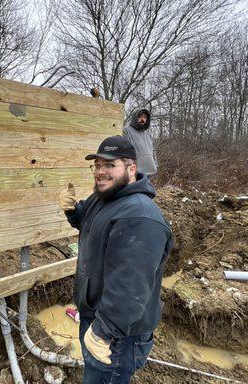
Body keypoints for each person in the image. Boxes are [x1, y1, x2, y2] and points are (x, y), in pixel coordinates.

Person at [58, 135, 173, 383]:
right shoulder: (104, 199)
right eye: (98, 165)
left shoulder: (139, 217)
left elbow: (130, 287)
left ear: (131, 169)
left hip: (117, 335)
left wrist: (103, 333)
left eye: (110, 165)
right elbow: (92, 227)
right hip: (98, 317)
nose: (100, 172)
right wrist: (74, 211)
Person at [123, 109, 158, 178]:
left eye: (145, 117)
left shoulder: (148, 135)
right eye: (140, 117)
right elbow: (124, 150)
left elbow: (153, 151)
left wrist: (156, 166)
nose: (142, 119)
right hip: (134, 173)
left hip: (149, 172)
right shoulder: (127, 131)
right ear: (135, 118)